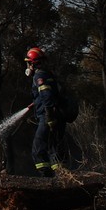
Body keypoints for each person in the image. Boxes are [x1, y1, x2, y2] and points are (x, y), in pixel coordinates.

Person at [26, 47, 67, 177]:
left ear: (33, 63)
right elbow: (49, 94)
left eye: (29, 63)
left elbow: (46, 94)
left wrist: (49, 116)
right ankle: (61, 175)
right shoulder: (48, 74)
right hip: (57, 114)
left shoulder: (39, 76)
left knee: (38, 147)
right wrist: (36, 103)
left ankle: (46, 175)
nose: (28, 66)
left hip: (47, 115)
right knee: (54, 146)